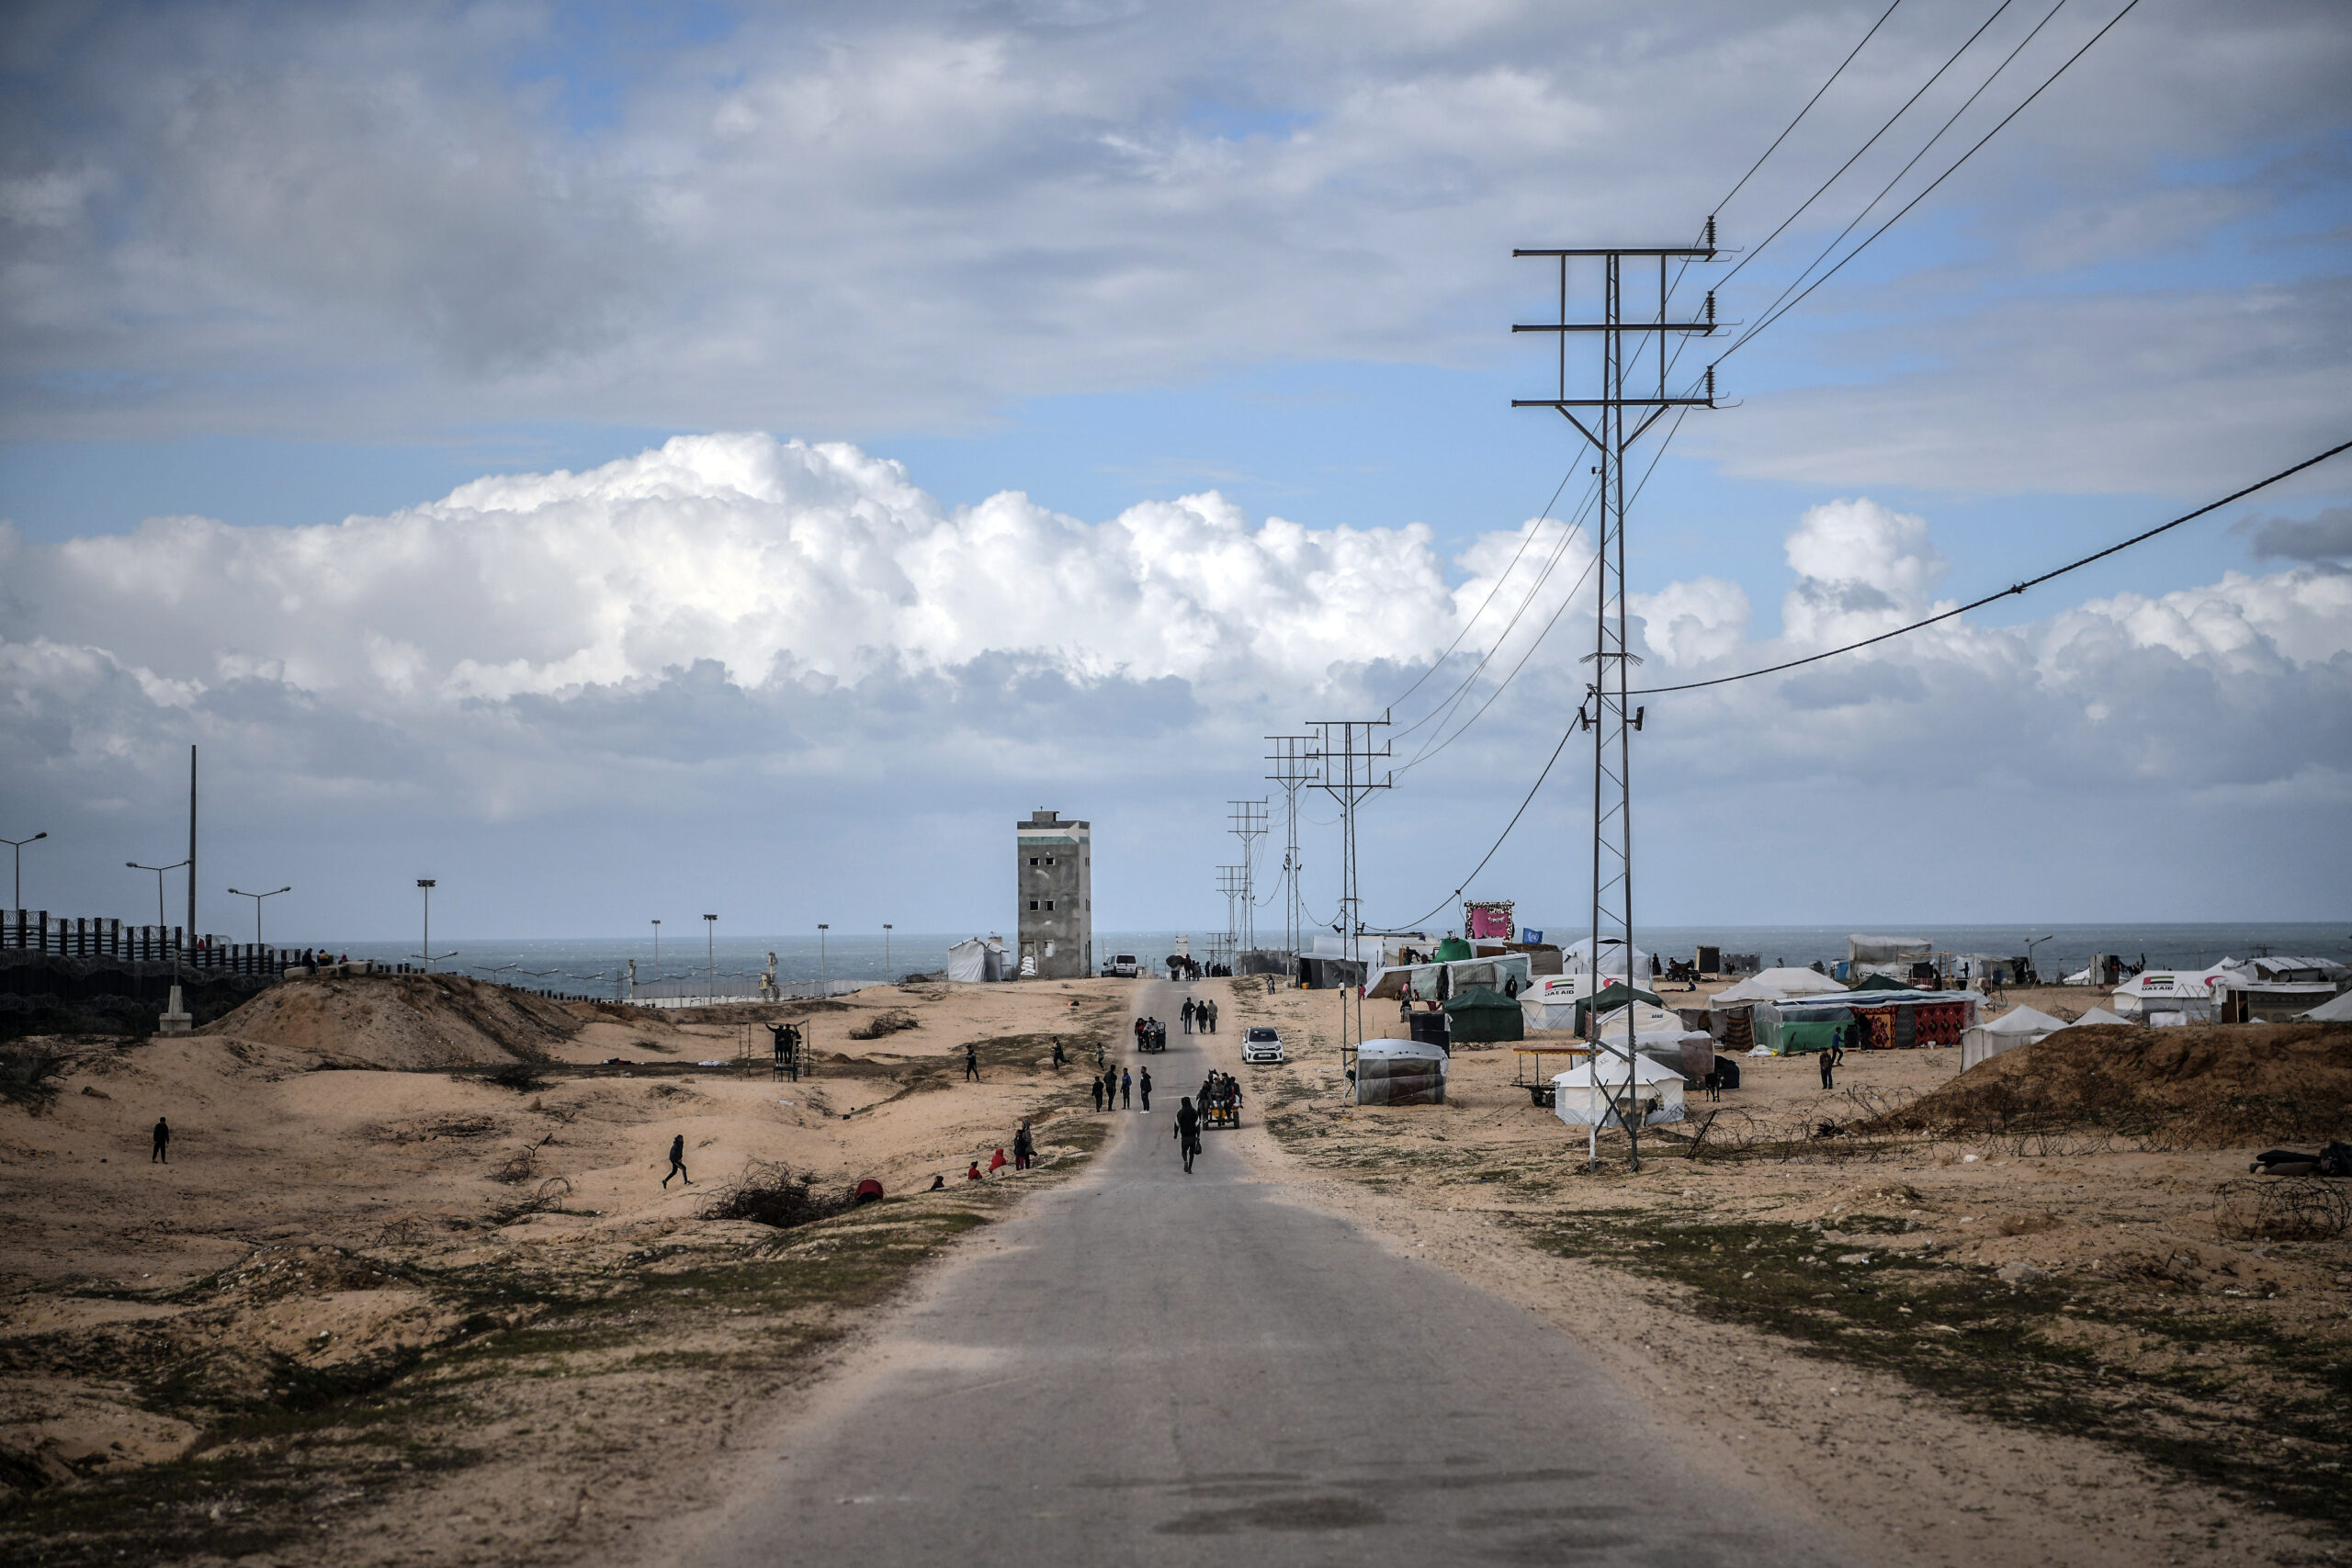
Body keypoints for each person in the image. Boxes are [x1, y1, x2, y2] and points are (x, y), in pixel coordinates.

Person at [1173, 1096, 1202, 1173]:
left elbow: (1176, 1124)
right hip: (1192, 1136)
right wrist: (1198, 1135)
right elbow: (1197, 1124)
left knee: (1184, 1151)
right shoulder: (1194, 1112)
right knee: (1192, 1153)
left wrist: (1175, 1134)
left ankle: (1185, 1160)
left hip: (1184, 1136)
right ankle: (1189, 1168)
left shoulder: (1180, 1112)